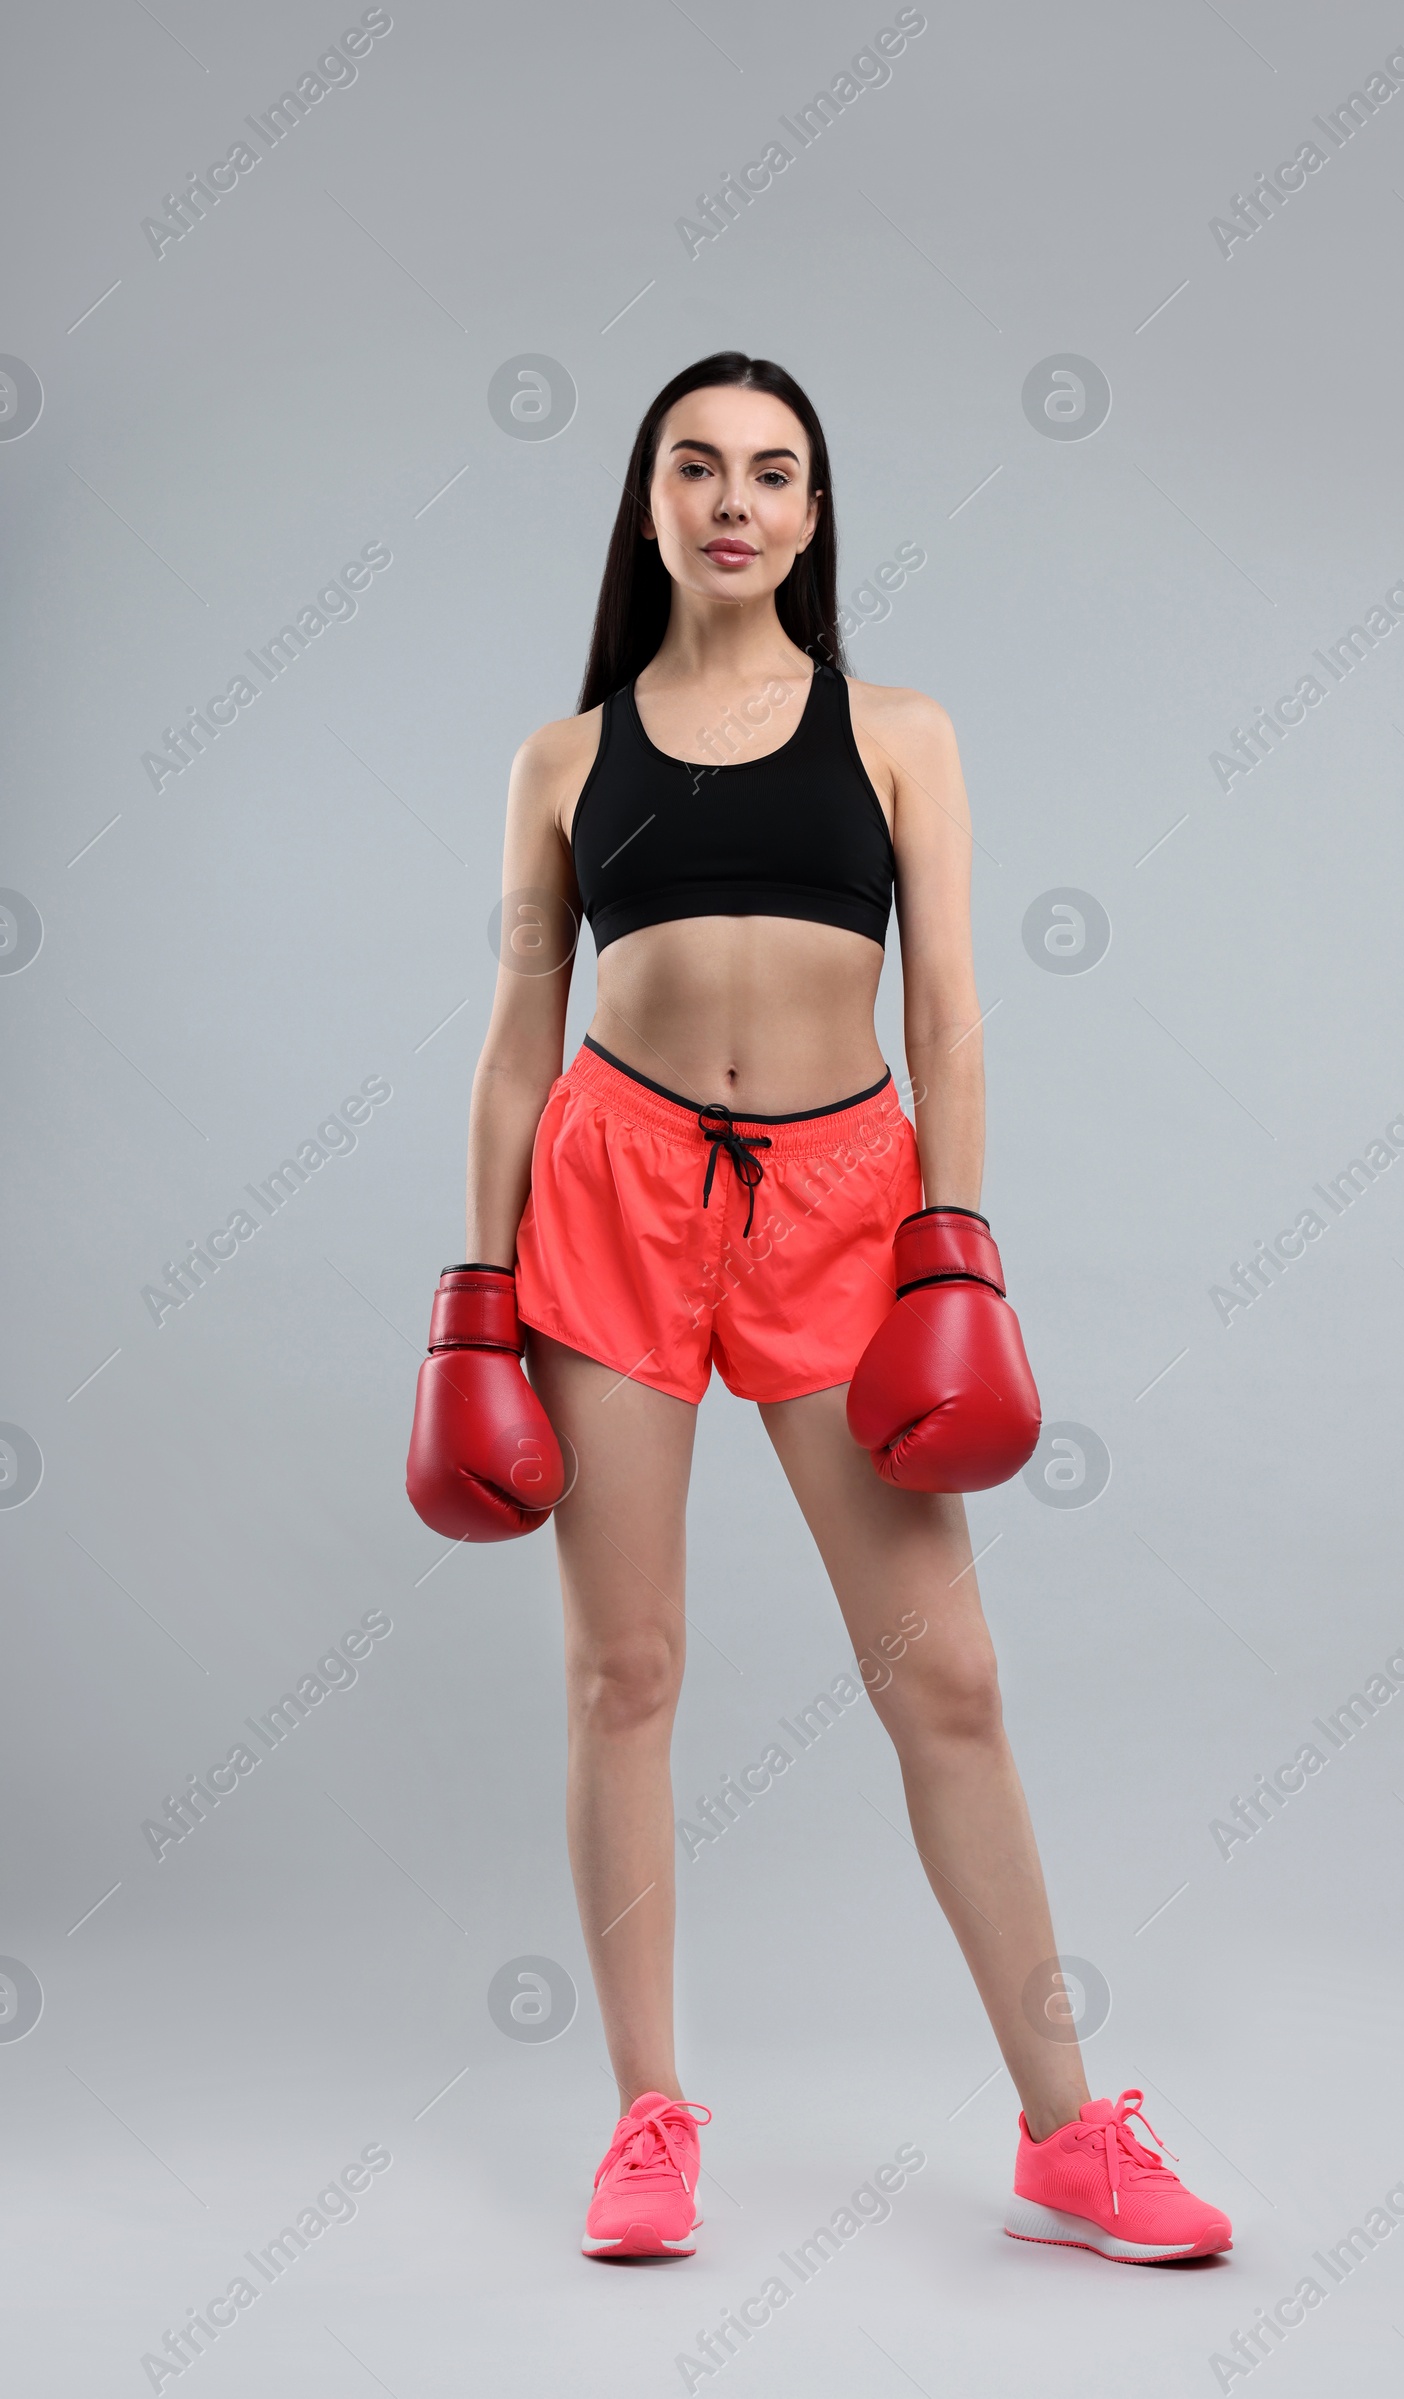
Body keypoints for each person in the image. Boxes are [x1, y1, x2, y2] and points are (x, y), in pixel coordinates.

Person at [405, 352, 1232, 2269]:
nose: (734, 501)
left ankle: (1067, 2132)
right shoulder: (561, 756)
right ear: (647, 504)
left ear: (813, 512)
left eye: (773, 473)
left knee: (945, 1676)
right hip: (609, 1192)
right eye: (697, 467)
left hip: (847, 1202)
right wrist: (473, 1293)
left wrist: (950, 1238)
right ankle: (648, 2120)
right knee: (627, 1674)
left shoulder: (899, 735)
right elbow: (516, 1038)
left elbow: (945, 1011)